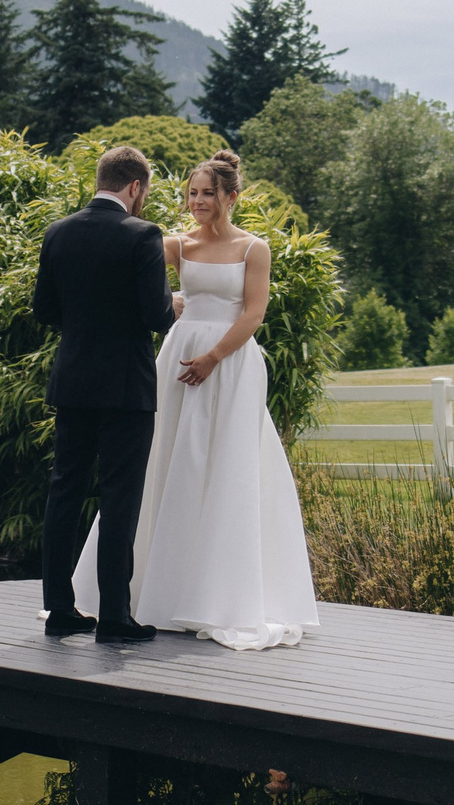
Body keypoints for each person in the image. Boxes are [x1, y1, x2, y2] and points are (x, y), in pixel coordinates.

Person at [70, 149, 317, 651]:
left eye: (207, 193)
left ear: (231, 196)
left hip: (230, 363)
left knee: (225, 466)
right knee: (165, 459)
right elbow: (120, 266)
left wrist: (213, 357)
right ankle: (143, 590)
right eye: (192, 193)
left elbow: (253, 314)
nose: (197, 201)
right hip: (178, 360)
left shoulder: (254, 249)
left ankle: (218, 595)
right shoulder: (176, 244)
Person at [34, 145, 176, 642]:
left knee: (64, 492)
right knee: (120, 498)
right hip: (125, 388)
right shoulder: (143, 235)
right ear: (135, 186)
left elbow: (44, 309)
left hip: (72, 381)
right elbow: (157, 316)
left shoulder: (58, 232)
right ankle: (114, 617)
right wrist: (174, 304)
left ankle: (59, 610)